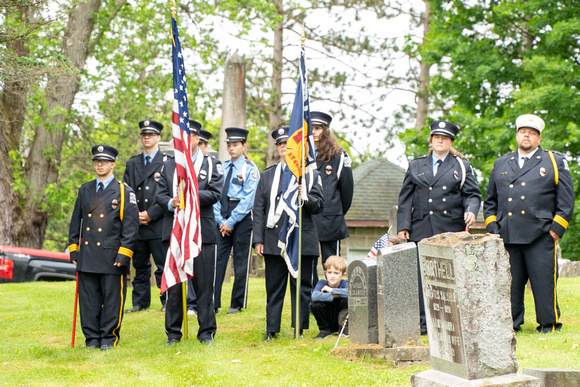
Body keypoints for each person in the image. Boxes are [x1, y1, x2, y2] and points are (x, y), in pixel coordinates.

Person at [484, 114, 574, 333]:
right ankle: (511, 325)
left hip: (541, 234)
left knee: (544, 283)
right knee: (510, 285)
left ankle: (548, 324)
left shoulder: (554, 161)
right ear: (516, 135)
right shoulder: (501, 163)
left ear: (539, 138)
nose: (527, 135)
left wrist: (555, 231)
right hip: (508, 234)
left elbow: (566, 200)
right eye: (523, 131)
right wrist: (493, 229)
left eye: (531, 133)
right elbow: (490, 201)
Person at [396, 120, 481, 335]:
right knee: (422, 275)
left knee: (449, 274)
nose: (440, 141)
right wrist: (404, 225)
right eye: (436, 137)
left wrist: (471, 209)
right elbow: (405, 198)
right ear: (431, 140)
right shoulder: (416, 165)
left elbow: (472, 194)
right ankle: (424, 323)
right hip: (421, 227)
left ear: (450, 142)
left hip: (449, 228)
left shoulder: (461, 165)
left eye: (444, 138)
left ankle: (451, 318)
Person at [253, 127, 324, 341]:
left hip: (302, 238)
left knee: (301, 287)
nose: (284, 146)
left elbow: (319, 206)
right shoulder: (267, 175)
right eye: (280, 143)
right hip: (274, 238)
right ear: (277, 147)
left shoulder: (310, 174)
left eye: (288, 143)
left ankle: (299, 329)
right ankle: (271, 330)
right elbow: (259, 210)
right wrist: (258, 240)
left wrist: (306, 196)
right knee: (274, 288)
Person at [157, 120, 223, 345]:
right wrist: (172, 202)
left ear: (198, 139)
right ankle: (173, 334)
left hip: (202, 232)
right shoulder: (168, 164)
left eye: (191, 136)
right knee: (174, 286)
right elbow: (159, 194)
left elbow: (215, 193)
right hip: (175, 231)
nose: (187, 139)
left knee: (204, 286)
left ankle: (206, 332)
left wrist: (190, 196)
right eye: (182, 135)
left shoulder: (212, 164)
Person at [67, 145, 139, 349]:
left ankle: (108, 338)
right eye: (97, 161)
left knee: (112, 301)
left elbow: (131, 229)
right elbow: (76, 223)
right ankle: (91, 339)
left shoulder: (125, 192)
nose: (100, 164)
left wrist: (124, 254)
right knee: (88, 301)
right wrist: (74, 248)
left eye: (104, 161)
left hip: (112, 256)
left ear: (113, 164)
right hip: (88, 255)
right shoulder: (85, 189)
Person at [123, 120, 169, 313]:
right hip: (138, 223)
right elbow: (126, 191)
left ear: (158, 137)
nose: (147, 137)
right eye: (144, 135)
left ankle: (167, 300)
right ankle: (140, 302)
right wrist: (136, 215)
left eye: (151, 134)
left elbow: (170, 193)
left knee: (162, 264)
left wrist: (151, 214)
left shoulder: (168, 162)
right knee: (139, 264)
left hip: (158, 221)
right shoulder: (133, 163)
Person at [213, 127, 259, 314]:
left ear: (244, 146)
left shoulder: (250, 168)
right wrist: (220, 220)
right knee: (217, 261)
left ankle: (237, 303)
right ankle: (213, 302)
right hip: (221, 213)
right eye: (229, 145)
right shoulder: (220, 167)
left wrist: (230, 222)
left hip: (241, 215)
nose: (232, 148)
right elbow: (215, 194)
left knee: (241, 261)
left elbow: (249, 200)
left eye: (236, 145)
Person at [311, 111, 354, 274]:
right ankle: (311, 299)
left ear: (325, 131)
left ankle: (334, 298)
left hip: (331, 220)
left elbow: (347, 192)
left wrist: (335, 211)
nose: (314, 132)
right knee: (309, 263)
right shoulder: (302, 156)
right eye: (311, 128)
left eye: (318, 128)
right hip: (309, 219)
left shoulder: (339, 157)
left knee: (332, 265)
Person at [311, 255, 348, 339]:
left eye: (336, 273)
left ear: (343, 275)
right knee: (315, 304)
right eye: (329, 272)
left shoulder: (345, 283)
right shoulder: (322, 283)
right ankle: (325, 330)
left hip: (341, 319)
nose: (332, 276)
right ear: (325, 273)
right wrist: (336, 296)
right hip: (327, 319)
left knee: (347, 299)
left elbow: (349, 293)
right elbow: (314, 296)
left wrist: (331, 290)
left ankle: (344, 329)